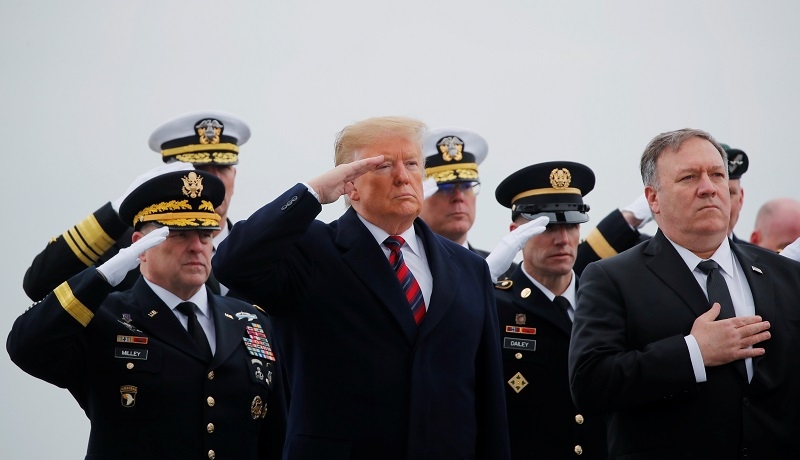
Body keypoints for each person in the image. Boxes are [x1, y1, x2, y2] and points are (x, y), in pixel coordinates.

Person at [212, 116, 510, 459]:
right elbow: (232, 263)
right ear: (350, 185)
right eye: (383, 166)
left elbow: (488, 398)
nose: (403, 176)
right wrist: (311, 194)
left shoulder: (468, 268)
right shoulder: (312, 251)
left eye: (412, 163)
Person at [7, 169, 286, 459]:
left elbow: (277, 435)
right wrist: (101, 277)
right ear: (140, 245)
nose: (196, 247)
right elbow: (26, 347)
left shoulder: (250, 321)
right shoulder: (104, 317)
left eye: (205, 235)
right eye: (178, 235)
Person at [568, 128, 800, 459]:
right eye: (689, 177)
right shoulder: (612, 278)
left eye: (717, 175)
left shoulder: (785, 274)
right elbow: (590, 384)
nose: (708, 188)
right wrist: (693, 354)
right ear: (653, 199)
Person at [22, 110, 249, 301]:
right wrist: (118, 210)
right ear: (172, 174)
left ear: (235, 174)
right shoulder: (133, 246)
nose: (213, 179)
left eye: (223, 168)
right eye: (198, 169)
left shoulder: (250, 248)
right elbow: (40, 285)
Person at [493, 161, 606, 459]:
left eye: (571, 226)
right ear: (516, 233)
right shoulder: (494, 305)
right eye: (548, 227)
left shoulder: (605, 301)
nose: (562, 239)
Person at [574, 143, 750, 275]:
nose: (710, 193)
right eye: (690, 178)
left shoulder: (757, 260)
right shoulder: (644, 254)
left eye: (729, 191)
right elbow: (580, 265)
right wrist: (634, 215)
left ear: (741, 199)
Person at [418, 127, 490, 256]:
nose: (458, 197)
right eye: (444, 188)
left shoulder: (499, 266)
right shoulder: (397, 265)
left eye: (466, 186)